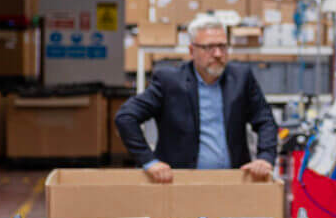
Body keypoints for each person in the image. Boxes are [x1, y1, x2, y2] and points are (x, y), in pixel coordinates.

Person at [115, 15, 278, 183]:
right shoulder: (169, 82)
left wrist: (265, 157)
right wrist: (149, 161)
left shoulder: (241, 78)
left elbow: (265, 120)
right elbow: (126, 117)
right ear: (192, 51)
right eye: (209, 47)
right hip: (181, 183)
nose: (217, 54)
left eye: (222, 46)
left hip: (233, 181)